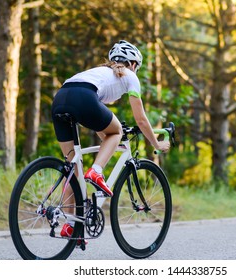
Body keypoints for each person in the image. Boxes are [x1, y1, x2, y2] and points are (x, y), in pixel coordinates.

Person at [51, 40, 170, 238]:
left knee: (73, 169)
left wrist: (109, 138)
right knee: (117, 133)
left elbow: (99, 126)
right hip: (83, 97)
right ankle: (96, 172)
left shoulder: (99, 73)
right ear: (133, 64)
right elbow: (140, 119)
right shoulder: (130, 76)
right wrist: (155, 143)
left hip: (60, 99)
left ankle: (71, 225)